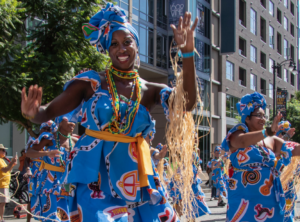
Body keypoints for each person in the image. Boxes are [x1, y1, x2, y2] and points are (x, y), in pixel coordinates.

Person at [21, 3, 198, 221]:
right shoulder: (91, 83)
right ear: (107, 49)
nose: (121, 49)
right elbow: (46, 113)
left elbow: (186, 104)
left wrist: (188, 54)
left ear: (136, 45)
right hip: (95, 175)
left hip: (136, 174)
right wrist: (32, 113)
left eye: (127, 42)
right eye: (114, 44)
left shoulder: (150, 90)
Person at [222, 92, 300, 221]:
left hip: (270, 199)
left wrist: (269, 134)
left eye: (264, 116)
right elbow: (241, 142)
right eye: (259, 115)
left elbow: (293, 148)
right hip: (244, 199)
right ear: (247, 117)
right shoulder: (237, 133)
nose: (263, 119)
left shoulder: (272, 140)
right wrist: (267, 131)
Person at [26, 114, 78, 222]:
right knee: (51, 216)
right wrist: (47, 153)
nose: (72, 123)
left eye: (74, 120)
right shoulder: (49, 138)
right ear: (59, 121)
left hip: (68, 182)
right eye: (69, 119)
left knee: (68, 215)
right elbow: (29, 153)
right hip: (50, 181)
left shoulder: (75, 141)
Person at [0, 144, 18, 222]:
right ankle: (1, 218)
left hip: (4, 184)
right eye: (3, 150)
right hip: (1, 185)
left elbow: (8, 170)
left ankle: (1, 218)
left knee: (3, 203)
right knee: (2, 203)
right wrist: (11, 163)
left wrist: (12, 164)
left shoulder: (2, 160)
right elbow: (4, 170)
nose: (5, 152)